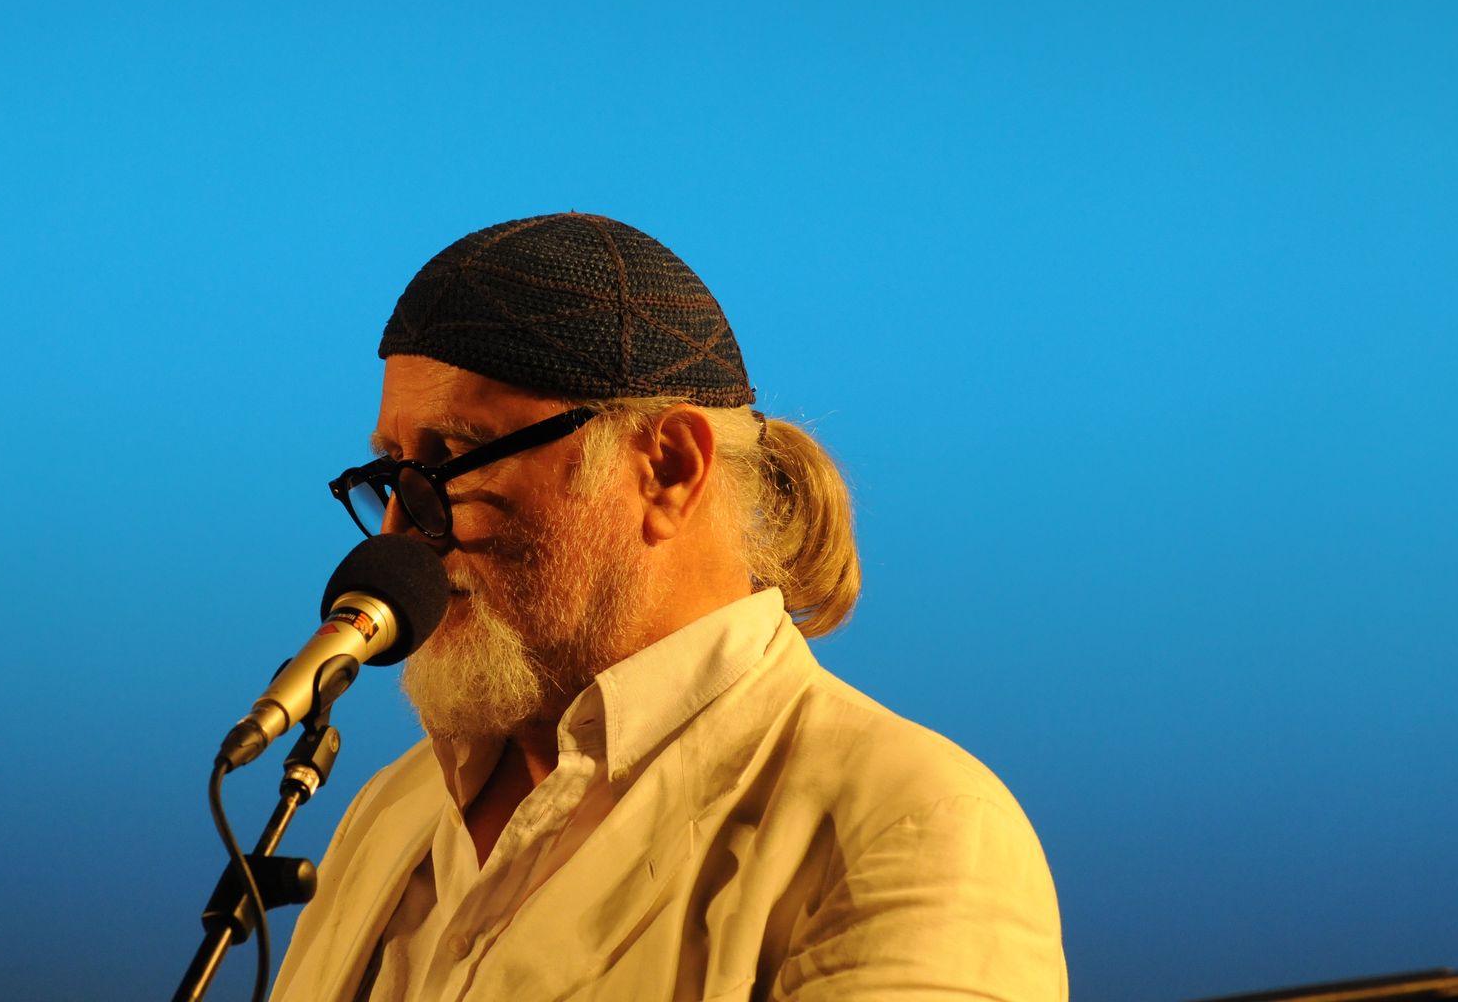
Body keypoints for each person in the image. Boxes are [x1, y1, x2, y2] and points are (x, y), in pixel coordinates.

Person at [270, 213, 1066, 1001]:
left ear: (669, 468)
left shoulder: (912, 823)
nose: (399, 533)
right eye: (391, 471)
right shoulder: (390, 812)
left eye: (453, 460)